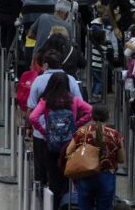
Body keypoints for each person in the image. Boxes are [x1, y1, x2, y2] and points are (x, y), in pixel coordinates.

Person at [29, 72, 92, 209]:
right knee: (69, 179)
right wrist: (77, 124)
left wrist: (45, 132)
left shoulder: (46, 101)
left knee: (53, 179)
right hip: (70, 145)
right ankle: (66, 204)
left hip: (51, 145)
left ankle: (53, 205)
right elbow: (90, 111)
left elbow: (33, 117)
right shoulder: (73, 100)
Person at [27, 50, 84, 188]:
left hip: (42, 134)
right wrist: (76, 124)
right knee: (62, 170)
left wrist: (33, 128)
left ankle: (41, 198)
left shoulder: (38, 81)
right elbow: (81, 105)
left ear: (46, 64)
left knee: (41, 169)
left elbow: (31, 108)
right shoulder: (70, 79)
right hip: (66, 135)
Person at [69, 104, 125, 210]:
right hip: (106, 176)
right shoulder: (115, 135)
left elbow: (68, 151)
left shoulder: (82, 132)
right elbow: (121, 159)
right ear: (108, 116)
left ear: (91, 115)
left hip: (85, 174)